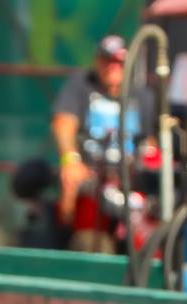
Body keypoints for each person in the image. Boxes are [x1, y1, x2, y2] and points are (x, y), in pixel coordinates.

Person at [50, 35, 154, 227]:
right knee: (70, 179)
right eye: (107, 60)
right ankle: (67, 232)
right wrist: (70, 159)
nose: (112, 67)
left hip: (129, 175)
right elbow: (63, 123)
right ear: (97, 61)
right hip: (90, 171)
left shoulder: (143, 96)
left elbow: (151, 142)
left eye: (118, 62)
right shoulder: (81, 85)